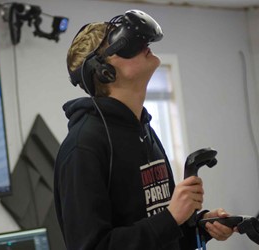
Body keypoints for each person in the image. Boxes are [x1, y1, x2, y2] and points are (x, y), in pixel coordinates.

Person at [54, 10, 234, 250]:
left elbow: (158, 228)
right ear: (104, 72)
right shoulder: (83, 147)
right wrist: (171, 218)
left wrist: (200, 226)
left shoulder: (143, 128)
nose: (143, 46)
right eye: (125, 45)